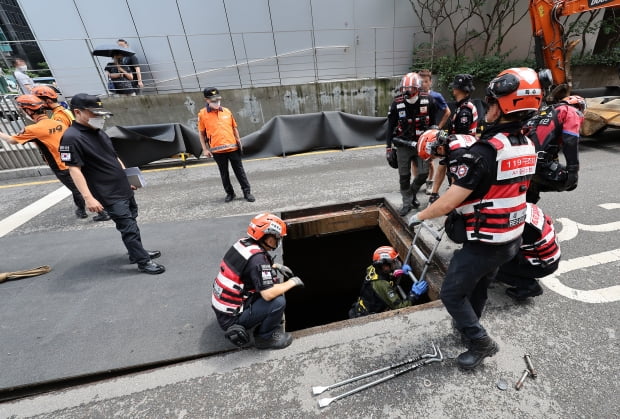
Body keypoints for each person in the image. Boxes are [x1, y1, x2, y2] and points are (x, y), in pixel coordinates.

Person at [408, 67, 541, 370]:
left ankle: (481, 342)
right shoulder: (527, 145)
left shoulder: (484, 153)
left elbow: (448, 202)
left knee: (452, 293)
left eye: (492, 102)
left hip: (486, 241)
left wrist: (421, 215)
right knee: (480, 285)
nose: (487, 108)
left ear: (507, 107)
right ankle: (470, 325)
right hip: (512, 235)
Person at [59, 93, 165, 274]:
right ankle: (142, 261)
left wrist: (127, 177)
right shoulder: (71, 138)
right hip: (106, 191)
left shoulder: (98, 132)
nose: (99, 118)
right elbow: (74, 170)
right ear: (77, 112)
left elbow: (113, 156)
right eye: (95, 114)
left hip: (121, 186)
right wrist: (89, 198)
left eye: (101, 114)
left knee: (132, 218)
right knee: (128, 226)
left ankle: (135, 252)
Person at [0, 95, 106, 221]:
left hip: (60, 164)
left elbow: (11, 141)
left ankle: (103, 212)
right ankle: (81, 210)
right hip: (75, 158)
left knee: (78, 189)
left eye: (23, 110)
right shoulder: (58, 122)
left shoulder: (32, 129)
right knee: (80, 186)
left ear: (28, 111)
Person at [211, 213, 304, 349]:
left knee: (272, 280)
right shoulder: (257, 260)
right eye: (276, 237)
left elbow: (248, 268)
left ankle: (264, 320)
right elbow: (268, 294)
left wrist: (276, 266)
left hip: (224, 309)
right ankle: (265, 337)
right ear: (266, 236)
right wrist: (293, 282)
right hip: (232, 319)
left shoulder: (243, 243)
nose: (278, 241)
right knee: (278, 300)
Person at [30, 85, 110, 221]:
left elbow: (61, 138)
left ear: (47, 102)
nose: (38, 106)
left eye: (39, 102)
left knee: (78, 184)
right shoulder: (64, 111)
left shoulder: (59, 117)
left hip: (70, 155)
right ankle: (84, 208)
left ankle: (101, 210)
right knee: (79, 183)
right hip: (77, 151)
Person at [385, 72, 438, 216]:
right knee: (404, 176)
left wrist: (434, 144)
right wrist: (388, 148)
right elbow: (390, 127)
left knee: (423, 173)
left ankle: (411, 194)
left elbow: (433, 123)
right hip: (403, 145)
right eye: (405, 88)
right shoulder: (397, 103)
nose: (407, 92)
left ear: (417, 88)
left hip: (422, 144)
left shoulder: (429, 101)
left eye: (411, 88)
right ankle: (407, 203)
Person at [427, 74, 480, 204]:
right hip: (457, 146)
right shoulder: (462, 106)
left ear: (459, 89)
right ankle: (435, 194)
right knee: (442, 165)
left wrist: (444, 142)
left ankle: (453, 201)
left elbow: (462, 134)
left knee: (454, 175)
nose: (453, 90)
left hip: (461, 150)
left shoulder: (465, 110)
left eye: (454, 87)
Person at [524, 95, 585, 204]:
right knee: (570, 181)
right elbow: (570, 140)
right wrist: (573, 170)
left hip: (521, 159)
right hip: (539, 162)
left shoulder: (543, 112)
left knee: (528, 192)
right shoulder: (571, 111)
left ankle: (527, 204)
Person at [198, 87, 255, 202]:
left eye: (217, 99)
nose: (216, 102)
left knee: (240, 171)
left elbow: (234, 128)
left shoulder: (227, 111)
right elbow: (201, 133)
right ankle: (230, 193)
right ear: (206, 100)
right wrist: (205, 149)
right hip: (217, 151)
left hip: (233, 148)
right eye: (213, 100)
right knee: (224, 174)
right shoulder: (202, 115)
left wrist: (239, 142)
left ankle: (247, 192)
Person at [496, 202, 561, 301]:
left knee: (490, 265)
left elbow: (504, 251)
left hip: (542, 265)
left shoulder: (519, 224)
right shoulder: (521, 205)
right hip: (548, 256)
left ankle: (529, 286)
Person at [348, 246, 428, 318]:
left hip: (360, 308)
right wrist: (414, 294)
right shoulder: (383, 285)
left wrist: (395, 272)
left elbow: (384, 274)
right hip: (366, 317)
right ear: (384, 265)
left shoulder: (372, 268)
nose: (396, 264)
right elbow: (400, 307)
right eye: (393, 262)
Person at [419, 69, 452, 196]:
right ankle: (419, 182)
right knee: (417, 159)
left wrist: (437, 128)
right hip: (419, 132)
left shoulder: (436, 96)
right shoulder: (416, 96)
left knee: (429, 158)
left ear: (430, 82)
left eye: (426, 82)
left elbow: (448, 112)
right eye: (421, 82)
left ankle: (430, 182)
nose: (423, 84)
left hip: (432, 132)